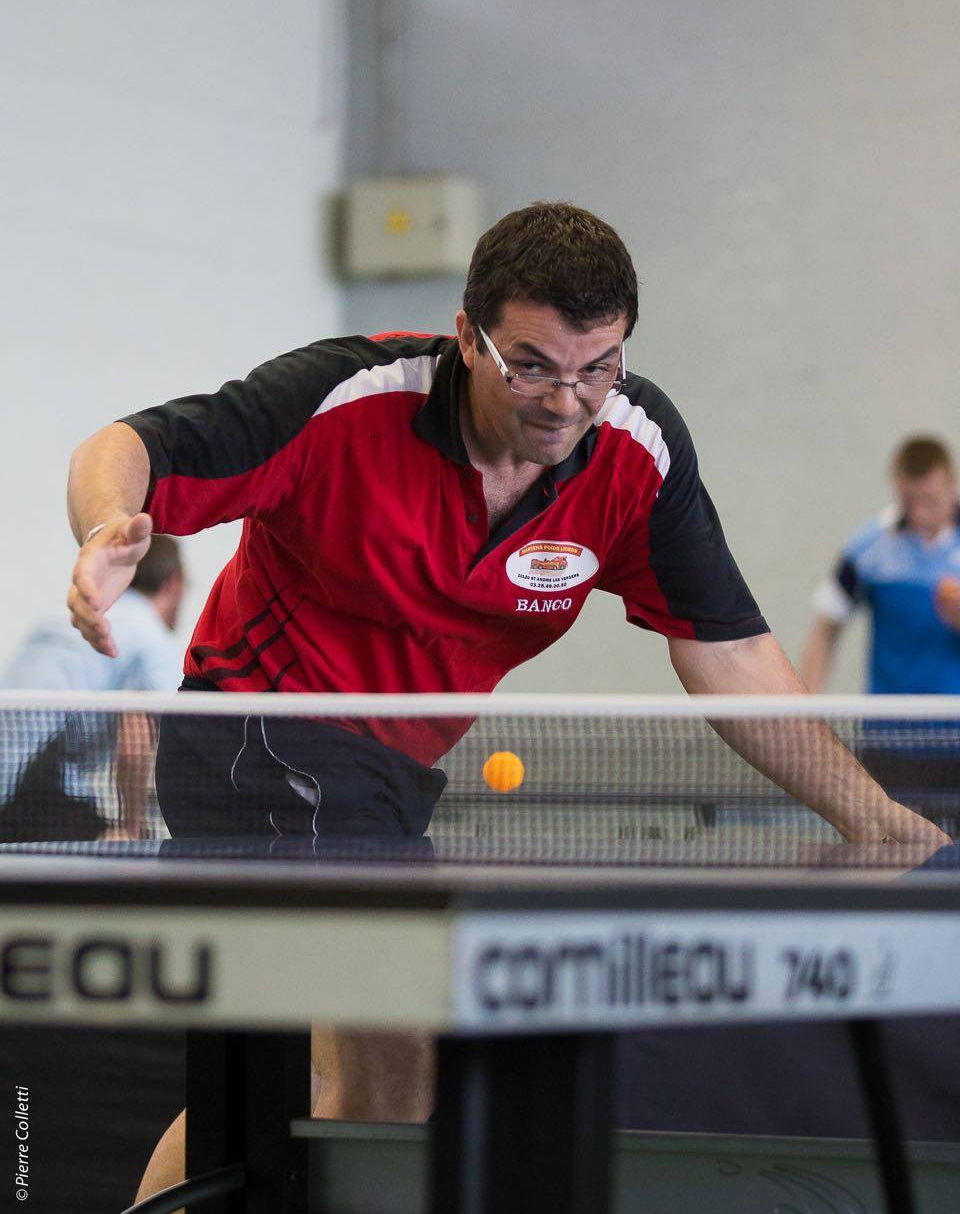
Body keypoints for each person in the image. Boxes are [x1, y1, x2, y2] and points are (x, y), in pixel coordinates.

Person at [63, 202, 949, 1201]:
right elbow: (127, 444)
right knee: (381, 1056)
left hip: (391, 777)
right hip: (258, 731)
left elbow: (731, 652)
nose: (567, 400)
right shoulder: (348, 397)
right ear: (467, 336)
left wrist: (875, 816)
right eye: (531, 365)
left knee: (321, 1081)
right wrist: (105, 529)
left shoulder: (635, 451)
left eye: (598, 366)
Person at [1, 536, 185, 840]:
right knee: (114, 849)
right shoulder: (152, 637)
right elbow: (135, 737)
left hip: (17, 777)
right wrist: (132, 826)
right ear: (175, 583)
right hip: (36, 782)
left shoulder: (70, 614)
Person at [801, 435, 960, 694]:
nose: (919, 513)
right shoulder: (868, 547)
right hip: (887, 715)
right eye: (909, 501)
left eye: (930, 500)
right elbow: (826, 622)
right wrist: (808, 704)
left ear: (951, 483)